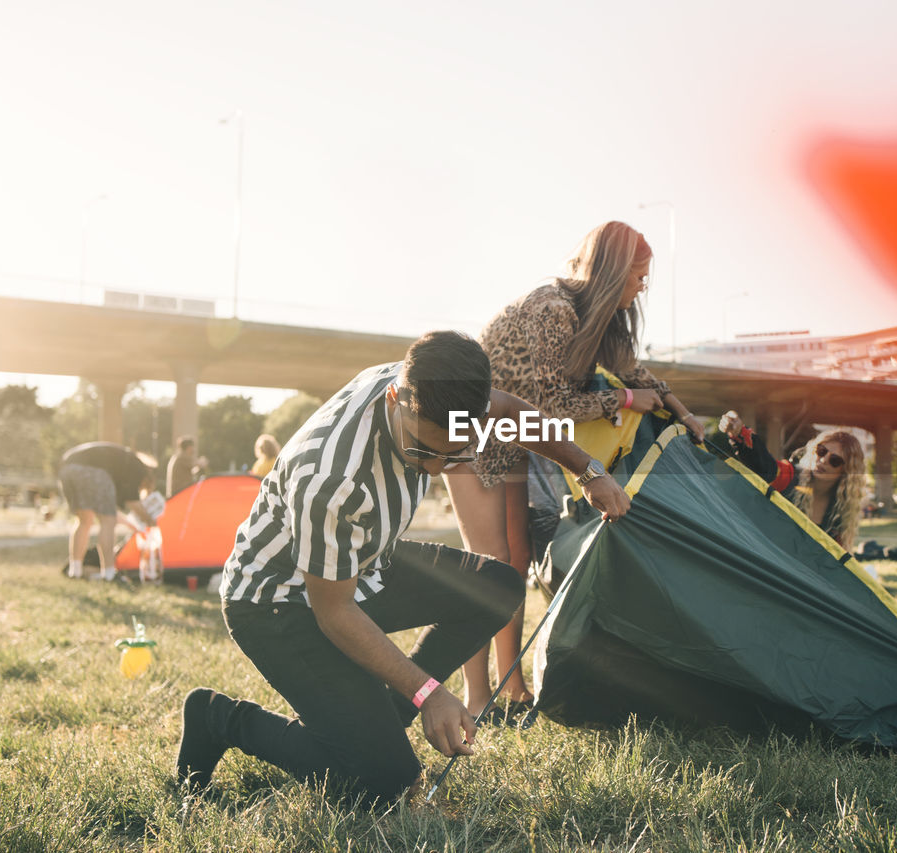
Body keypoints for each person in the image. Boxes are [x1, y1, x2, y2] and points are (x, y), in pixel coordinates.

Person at [176, 331, 631, 803]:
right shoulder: (332, 478)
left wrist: (588, 469)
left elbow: (512, 412)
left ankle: (377, 723)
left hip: (364, 561)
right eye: (421, 451)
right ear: (395, 399)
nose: (435, 468)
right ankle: (218, 718)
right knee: (382, 783)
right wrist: (428, 692)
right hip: (279, 600)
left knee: (497, 587)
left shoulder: (438, 390)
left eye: (453, 451)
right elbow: (334, 611)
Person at [443, 221, 705, 722]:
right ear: (612, 271)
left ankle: (512, 687)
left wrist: (684, 413)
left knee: (513, 564)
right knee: (488, 563)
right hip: (470, 429)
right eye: (638, 276)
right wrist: (627, 400)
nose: (642, 287)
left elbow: (638, 372)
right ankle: (477, 696)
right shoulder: (555, 309)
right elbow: (552, 403)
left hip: (511, 436)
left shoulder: (596, 320)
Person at [716, 411, 865, 552]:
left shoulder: (839, 512)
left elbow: (835, 559)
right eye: (821, 451)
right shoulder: (790, 476)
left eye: (835, 460)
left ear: (846, 472)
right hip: (757, 553)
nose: (823, 460)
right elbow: (765, 465)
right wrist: (739, 433)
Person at [57, 442, 161, 580]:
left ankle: (75, 571)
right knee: (107, 522)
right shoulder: (137, 466)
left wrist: (132, 525)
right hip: (90, 471)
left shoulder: (118, 465)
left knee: (85, 520)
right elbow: (132, 504)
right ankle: (109, 573)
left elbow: (112, 511)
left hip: (66, 469)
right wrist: (150, 521)